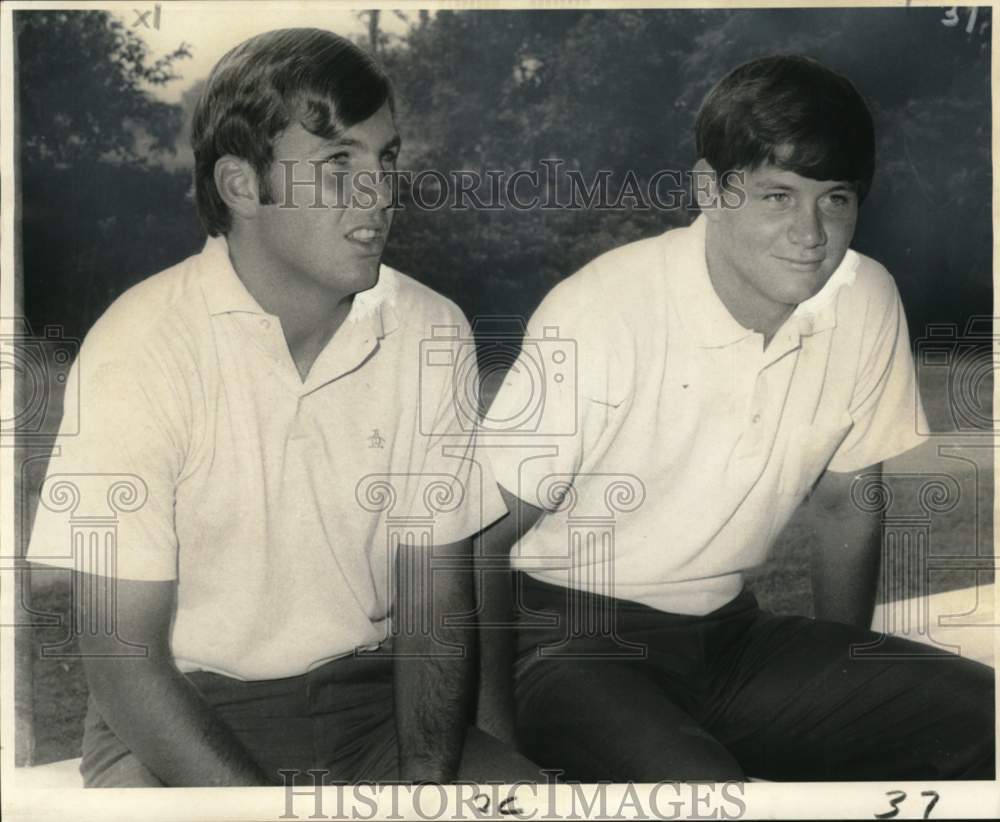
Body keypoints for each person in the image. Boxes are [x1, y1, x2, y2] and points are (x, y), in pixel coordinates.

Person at [26, 27, 537, 787]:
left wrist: (427, 790)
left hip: (370, 709)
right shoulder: (137, 344)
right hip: (176, 724)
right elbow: (124, 664)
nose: (379, 194)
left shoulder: (431, 326)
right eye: (338, 164)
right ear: (241, 186)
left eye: (384, 159)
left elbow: (433, 596)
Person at [475, 55, 994, 781]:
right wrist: (498, 758)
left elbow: (848, 504)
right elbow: (470, 542)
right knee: (712, 799)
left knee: (986, 718)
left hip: (726, 634)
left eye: (834, 199)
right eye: (777, 196)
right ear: (710, 190)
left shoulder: (864, 295)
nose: (810, 233)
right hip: (563, 639)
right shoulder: (606, 307)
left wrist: (833, 688)